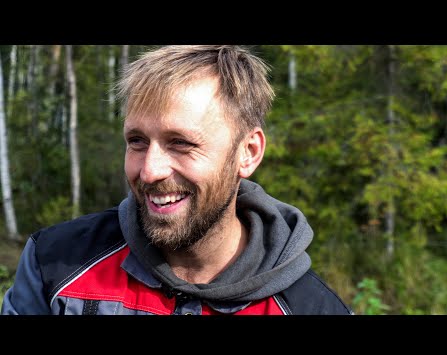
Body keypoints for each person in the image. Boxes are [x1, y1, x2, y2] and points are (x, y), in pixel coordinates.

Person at [1, 45, 353, 315]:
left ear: (248, 152)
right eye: (137, 141)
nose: (150, 171)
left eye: (181, 143)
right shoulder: (54, 263)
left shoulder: (311, 306)